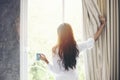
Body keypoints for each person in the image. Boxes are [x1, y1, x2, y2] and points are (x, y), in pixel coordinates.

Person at [40, 16, 106, 80]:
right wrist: (102, 25)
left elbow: (56, 71)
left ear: (59, 35)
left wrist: (46, 60)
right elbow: (92, 40)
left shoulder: (55, 50)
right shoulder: (76, 47)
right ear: (70, 34)